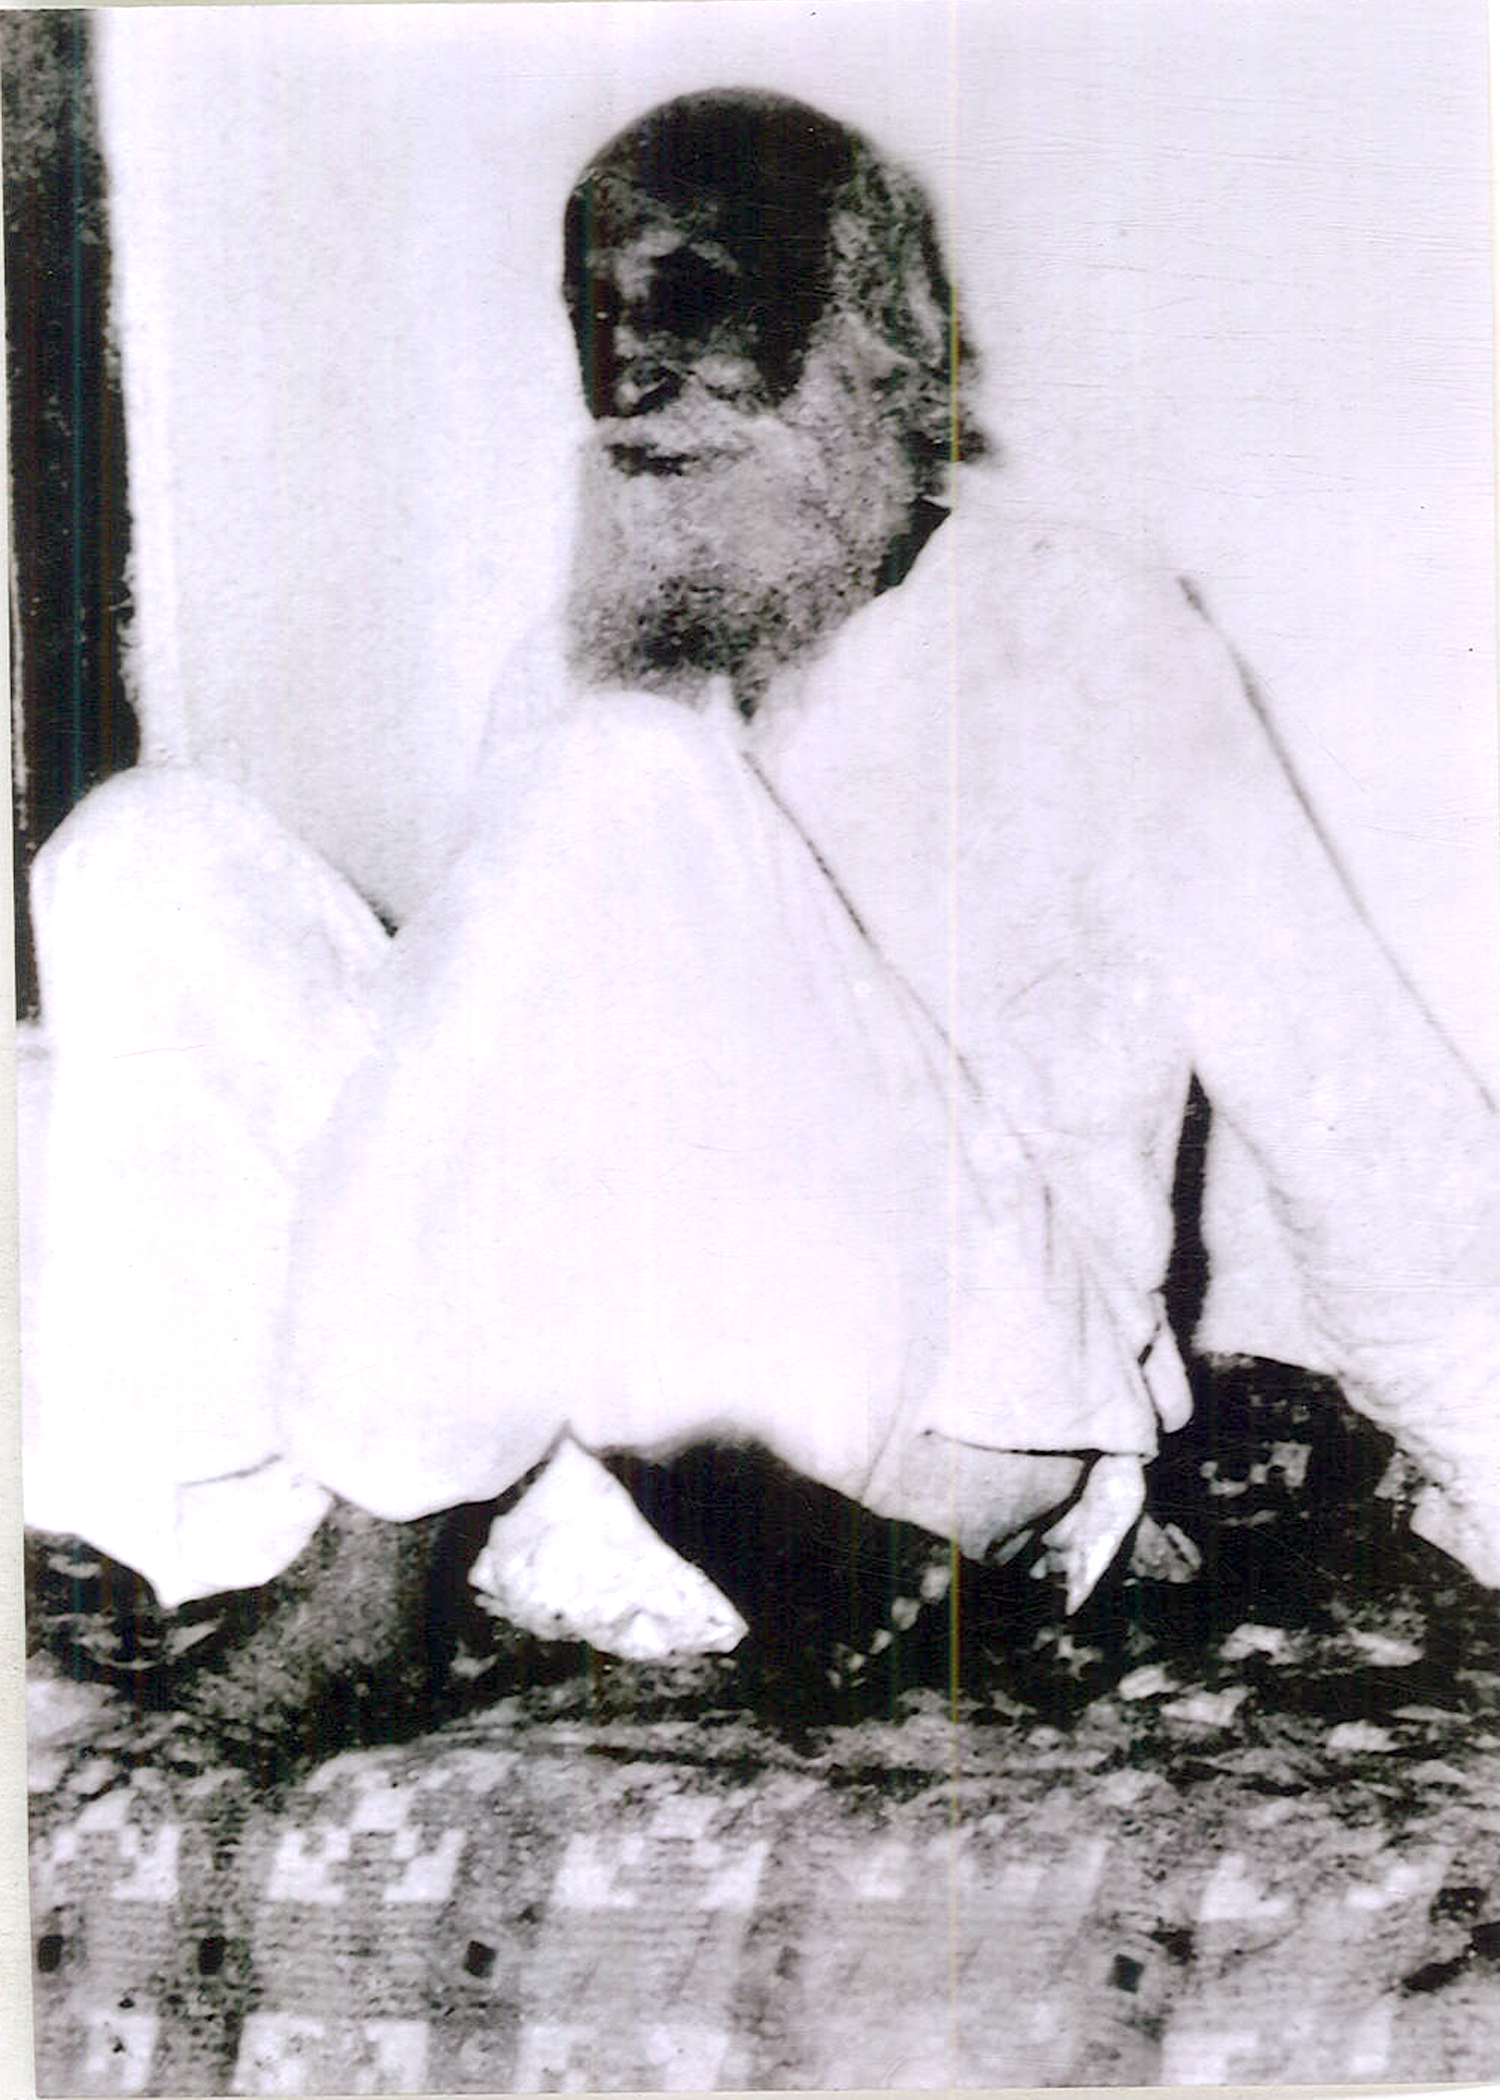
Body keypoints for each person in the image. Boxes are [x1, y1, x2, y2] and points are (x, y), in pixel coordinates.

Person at [22, 90, 1500, 1686]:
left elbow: (1359, 1118)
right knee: (143, 852)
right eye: (595, 313)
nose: (634, 366)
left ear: (877, 330)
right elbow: (458, 1115)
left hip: (953, 1415)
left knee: (625, 769)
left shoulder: (1082, 623)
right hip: (619, 1461)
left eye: (695, 296)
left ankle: (375, 1585)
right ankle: (275, 1540)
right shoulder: (567, 665)